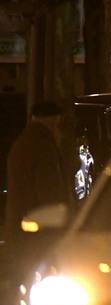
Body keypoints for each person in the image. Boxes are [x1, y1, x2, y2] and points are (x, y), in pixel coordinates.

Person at [4, 99, 76, 249]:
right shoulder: (44, 147)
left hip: (21, 228)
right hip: (37, 233)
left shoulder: (23, 142)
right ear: (54, 121)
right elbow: (50, 192)